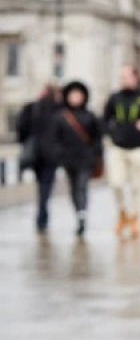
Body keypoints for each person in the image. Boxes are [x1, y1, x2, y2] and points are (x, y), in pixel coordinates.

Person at [102, 65, 140, 239]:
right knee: (116, 183)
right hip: (118, 147)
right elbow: (104, 119)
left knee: (136, 186)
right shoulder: (114, 98)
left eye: (126, 76)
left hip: (139, 148)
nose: (123, 80)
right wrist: (111, 133)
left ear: (136, 77)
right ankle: (122, 213)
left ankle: (134, 217)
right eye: (121, 77)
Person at [52, 80, 103, 237]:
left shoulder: (90, 116)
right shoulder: (61, 117)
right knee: (73, 189)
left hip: (85, 159)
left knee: (82, 186)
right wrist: (59, 154)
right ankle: (78, 212)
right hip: (69, 159)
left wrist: (97, 156)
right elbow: (55, 139)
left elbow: (97, 138)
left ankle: (82, 214)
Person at [15, 83, 62, 234]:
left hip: (36, 154)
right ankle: (43, 212)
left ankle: (42, 213)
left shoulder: (32, 107)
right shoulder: (59, 110)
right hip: (51, 154)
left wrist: (26, 142)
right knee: (46, 185)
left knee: (41, 184)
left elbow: (21, 128)